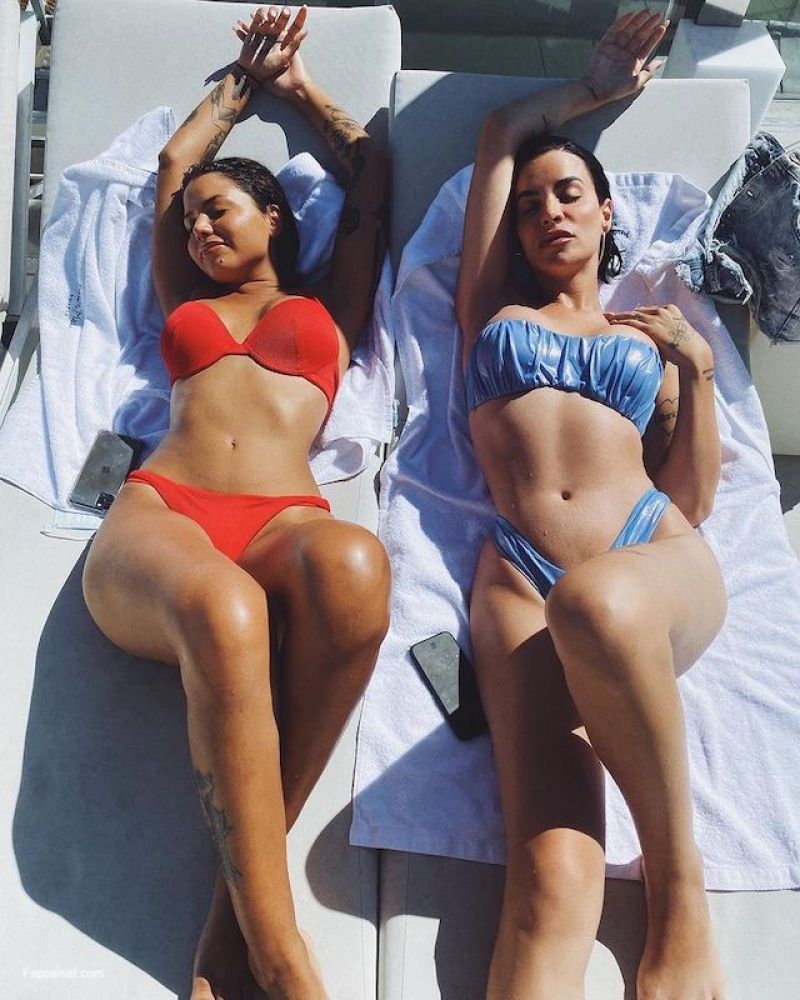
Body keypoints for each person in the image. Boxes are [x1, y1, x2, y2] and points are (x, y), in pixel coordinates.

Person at [82, 7, 390, 999]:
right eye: (191, 222)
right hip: (163, 514)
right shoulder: (188, 303)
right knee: (226, 608)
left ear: (276, 218)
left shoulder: (329, 303)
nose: (200, 227)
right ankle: (282, 957)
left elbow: (370, 170)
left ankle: (228, 932)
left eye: (221, 211)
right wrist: (235, 89)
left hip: (281, 522)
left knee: (356, 567)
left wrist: (297, 87)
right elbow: (175, 163)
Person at [455, 10, 726, 999]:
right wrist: (590, 89)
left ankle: (678, 896)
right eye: (530, 203)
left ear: (606, 213)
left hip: (643, 551)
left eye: (569, 193)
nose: (547, 212)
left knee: (600, 604)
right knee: (547, 880)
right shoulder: (490, 314)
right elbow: (497, 134)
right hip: (521, 581)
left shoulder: (644, 337)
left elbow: (690, 498)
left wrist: (697, 373)